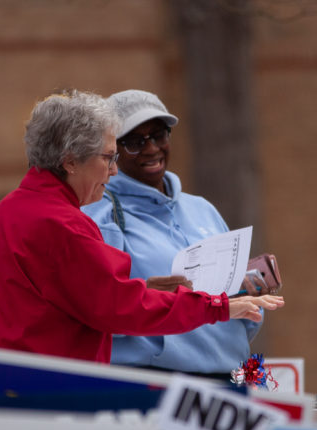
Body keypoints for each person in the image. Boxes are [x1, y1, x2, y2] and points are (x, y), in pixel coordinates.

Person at [0, 90, 283, 396]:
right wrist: (219, 306)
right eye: (109, 157)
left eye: (160, 135)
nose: (113, 171)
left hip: (7, 389)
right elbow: (117, 304)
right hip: (48, 397)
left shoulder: (1, 215)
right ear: (71, 161)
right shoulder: (63, 224)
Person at [81, 89, 265, 382]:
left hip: (234, 380)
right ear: (110, 150)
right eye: (134, 142)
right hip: (157, 385)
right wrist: (154, 296)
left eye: (159, 135)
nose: (152, 148)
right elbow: (98, 311)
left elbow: (239, 313)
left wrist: (251, 288)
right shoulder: (100, 215)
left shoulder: (200, 208)